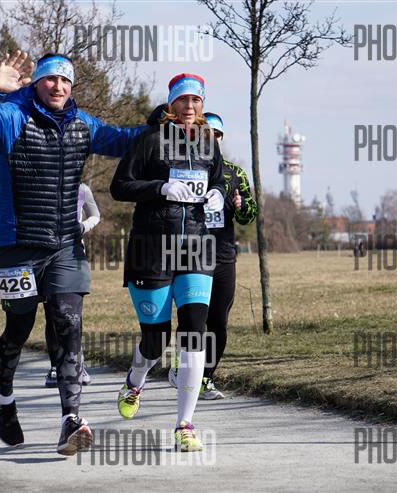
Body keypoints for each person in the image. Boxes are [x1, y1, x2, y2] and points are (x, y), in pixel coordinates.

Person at [0, 51, 145, 455]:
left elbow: (124, 139)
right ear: (36, 83)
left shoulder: (83, 124)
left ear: (72, 86)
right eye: (50, 79)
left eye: (65, 80)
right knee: (19, 326)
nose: (58, 86)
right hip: (16, 245)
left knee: (68, 323)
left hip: (65, 244)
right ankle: (3, 400)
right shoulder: (12, 117)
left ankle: (71, 420)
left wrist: (163, 124)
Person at [110, 73, 225, 452]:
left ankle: (185, 425)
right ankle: (135, 380)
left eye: (196, 100)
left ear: (202, 104)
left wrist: (218, 194)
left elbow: (218, 180)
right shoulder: (151, 140)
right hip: (152, 249)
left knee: (194, 331)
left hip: (196, 246)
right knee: (156, 340)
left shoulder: (209, 143)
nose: (189, 107)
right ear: (172, 103)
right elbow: (119, 186)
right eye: (183, 100)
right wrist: (159, 187)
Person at [168, 113, 257, 399]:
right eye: (209, 134)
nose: (213, 139)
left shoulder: (234, 172)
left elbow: (250, 215)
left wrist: (242, 206)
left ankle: (206, 376)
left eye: (217, 135)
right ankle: (183, 366)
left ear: (221, 138)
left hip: (223, 254)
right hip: (191, 252)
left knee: (218, 320)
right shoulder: (181, 166)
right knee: (193, 318)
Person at [44, 182, 100, 387]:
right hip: (45, 254)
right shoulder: (42, 184)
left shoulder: (82, 189)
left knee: (73, 312)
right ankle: (55, 366)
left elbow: (95, 215)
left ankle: (77, 363)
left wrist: (83, 226)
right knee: (51, 312)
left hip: (73, 254)